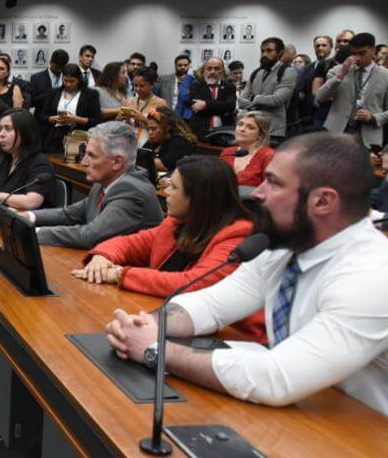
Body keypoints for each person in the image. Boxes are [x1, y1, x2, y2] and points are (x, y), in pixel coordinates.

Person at [105, 133, 388, 414]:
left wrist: (156, 350)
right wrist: (148, 325)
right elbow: (213, 304)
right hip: (310, 414)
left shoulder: (372, 276)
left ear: (323, 202)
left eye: (274, 183)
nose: (258, 193)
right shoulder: (285, 245)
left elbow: (276, 379)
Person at [75, 156, 265, 342]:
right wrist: (103, 255)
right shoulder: (177, 223)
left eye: (174, 187)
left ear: (198, 197)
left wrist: (120, 274)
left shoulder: (237, 236)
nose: (167, 191)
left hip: (230, 338)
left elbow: (192, 284)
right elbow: (131, 243)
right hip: (173, 320)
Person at [25, 121, 163, 248]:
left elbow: (90, 235)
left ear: (117, 162)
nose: (84, 162)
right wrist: (28, 217)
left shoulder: (132, 191)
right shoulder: (104, 183)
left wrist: (33, 233)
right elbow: (70, 214)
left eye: (91, 155)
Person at [0, 109, 58, 210]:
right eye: (1, 128)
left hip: (28, 223)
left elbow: (32, 202)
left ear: (25, 133)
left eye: (7, 129)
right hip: (0, 217)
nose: (1, 134)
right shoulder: (5, 158)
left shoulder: (40, 164)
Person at [315, 33, 388, 149]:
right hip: (337, 132)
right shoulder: (338, 71)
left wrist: (374, 117)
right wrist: (340, 75)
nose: (358, 58)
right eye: (354, 54)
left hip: (369, 136)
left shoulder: (385, 75)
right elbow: (319, 97)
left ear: (373, 50)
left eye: (362, 53)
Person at [238, 37, 297, 137]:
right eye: (262, 51)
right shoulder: (256, 72)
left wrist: (253, 98)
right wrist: (261, 103)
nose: (264, 54)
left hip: (274, 129)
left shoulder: (287, 72)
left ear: (280, 52)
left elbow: (276, 100)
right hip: (252, 128)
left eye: (269, 51)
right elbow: (241, 101)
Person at [37, 63, 101, 153]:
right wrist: (52, 118)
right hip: (55, 136)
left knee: (72, 163)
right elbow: (43, 116)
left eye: (72, 81)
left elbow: (96, 120)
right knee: (53, 163)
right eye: (65, 81)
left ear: (79, 79)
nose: (68, 84)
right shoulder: (55, 92)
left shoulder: (90, 94)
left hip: (78, 135)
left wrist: (76, 119)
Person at [219, 111, 275, 186]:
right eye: (240, 124)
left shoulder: (268, 156)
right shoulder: (227, 152)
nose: (242, 129)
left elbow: (271, 188)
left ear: (261, 135)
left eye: (250, 127)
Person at [189, 57, 237, 139]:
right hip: (200, 130)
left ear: (222, 71)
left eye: (217, 69)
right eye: (209, 68)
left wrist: (205, 104)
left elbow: (230, 106)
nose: (212, 72)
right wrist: (222, 107)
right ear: (204, 71)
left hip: (225, 131)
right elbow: (196, 106)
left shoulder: (230, 87)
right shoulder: (195, 86)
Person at [119, 67, 167, 145]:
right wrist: (120, 118)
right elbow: (117, 123)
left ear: (152, 84)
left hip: (150, 144)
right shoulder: (128, 101)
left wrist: (143, 119)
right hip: (127, 143)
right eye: (135, 85)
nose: (137, 89)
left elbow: (164, 128)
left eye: (142, 86)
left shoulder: (160, 103)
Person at [143, 107, 197, 172]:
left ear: (167, 127)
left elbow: (164, 166)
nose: (150, 132)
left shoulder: (179, 142)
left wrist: (140, 159)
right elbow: (141, 154)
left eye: (154, 129)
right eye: (149, 129)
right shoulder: (155, 140)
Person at [28, 48, 69, 117]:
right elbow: (31, 102)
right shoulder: (36, 78)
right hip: (42, 122)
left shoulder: (68, 79)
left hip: (63, 120)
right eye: (57, 67)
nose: (59, 70)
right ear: (50, 62)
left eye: (62, 67)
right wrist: (52, 94)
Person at [307, 35, 335, 126]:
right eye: (317, 45)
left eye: (324, 45)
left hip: (329, 115)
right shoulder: (307, 68)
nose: (320, 48)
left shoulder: (336, 67)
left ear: (331, 47)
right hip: (308, 116)